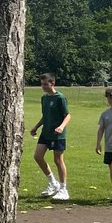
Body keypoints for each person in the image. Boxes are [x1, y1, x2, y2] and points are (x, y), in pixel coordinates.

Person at [30, 73, 70, 201]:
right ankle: (53, 183)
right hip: (46, 132)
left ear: (52, 83)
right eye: (42, 84)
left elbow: (67, 115)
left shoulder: (60, 98)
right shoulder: (44, 98)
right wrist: (36, 127)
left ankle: (63, 189)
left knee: (58, 160)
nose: (43, 87)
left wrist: (61, 127)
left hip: (57, 134)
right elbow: (45, 115)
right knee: (38, 156)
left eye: (45, 84)